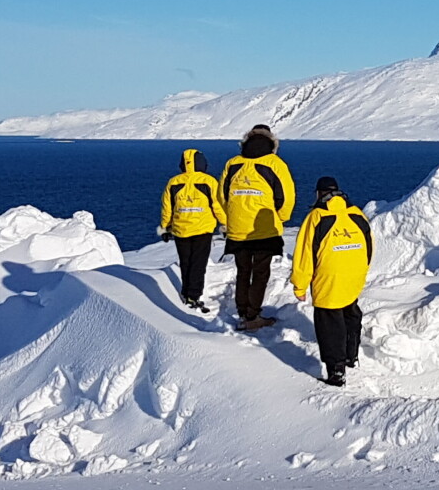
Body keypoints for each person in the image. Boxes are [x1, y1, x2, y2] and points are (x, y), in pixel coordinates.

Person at [290, 176, 373, 387]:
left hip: (328, 277)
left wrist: (300, 285)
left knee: (330, 322)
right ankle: (351, 356)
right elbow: (369, 246)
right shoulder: (356, 214)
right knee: (350, 312)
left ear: (318, 193)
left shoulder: (317, 217)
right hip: (354, 275)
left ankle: (336, 372)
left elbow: (305, 254)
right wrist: (361, 271)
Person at [219, 124, 296, 331]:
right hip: (264, 230)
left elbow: (222, 196)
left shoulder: (233, 164)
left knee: (243, 271)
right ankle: (253, 315)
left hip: (237, 230)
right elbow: (286, 197)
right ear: (271, 143)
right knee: (260, 272)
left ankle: (242, 311)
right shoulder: (275, 164)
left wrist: (232, 217)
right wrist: (280, 219)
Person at [158, 148, 227, 310]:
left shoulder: (174, 182)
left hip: (181, 230)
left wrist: (165, 227)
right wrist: (225, 226)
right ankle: (193, 296)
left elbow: (167, 208)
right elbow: (218, 207)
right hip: (202, 230)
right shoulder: (209, 182)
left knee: (186, 262)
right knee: (198, 263)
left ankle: (186, 292)